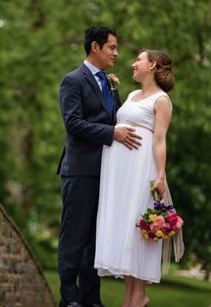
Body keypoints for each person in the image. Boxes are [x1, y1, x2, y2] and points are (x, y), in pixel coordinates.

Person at [56, 26, 142, 307]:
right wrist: (111, 134)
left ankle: (92, 299)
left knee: (95, 238)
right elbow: (73, 123)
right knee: (74, 237)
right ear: (95, 47)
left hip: (106, 172)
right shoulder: (73, 81)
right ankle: (69, 298)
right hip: (80, 171)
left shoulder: (108, 83)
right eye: (112, 48)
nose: (116, 53)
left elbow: (114, 120)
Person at [94, 49, 175, 307]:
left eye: (138, 60)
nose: (133, 64)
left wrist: (160, 176)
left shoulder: (162, 101)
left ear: (151, 65)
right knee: (125, 230)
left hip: (142, 171)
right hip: (119, 173)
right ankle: (130, 298)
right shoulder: (130, 95)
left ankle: (139, 296)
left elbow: (160, 140)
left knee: (137, 229)